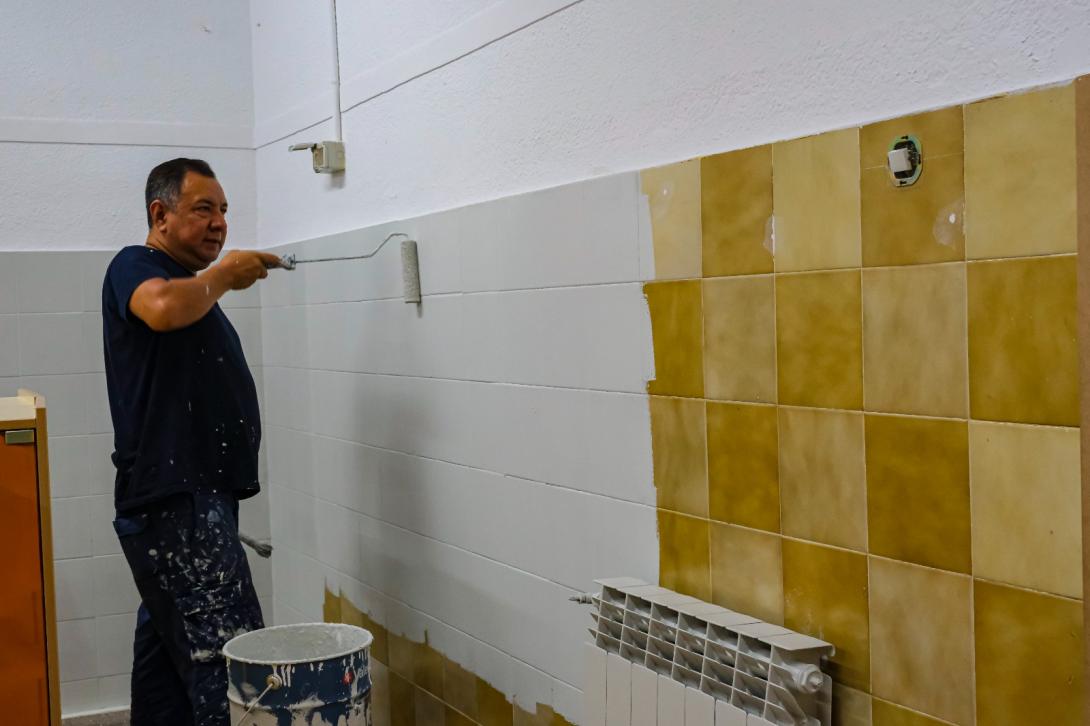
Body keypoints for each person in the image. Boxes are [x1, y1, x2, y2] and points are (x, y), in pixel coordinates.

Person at [102, 158, 281, 725]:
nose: (219, 222)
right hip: (178, 504)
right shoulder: (136, 265)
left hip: (194, 502)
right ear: (160, 215)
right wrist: (224, 274)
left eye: (224, 210)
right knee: (229, 661)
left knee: (168, 658)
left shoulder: (189, 287)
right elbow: (160, 308)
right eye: (204, 208)